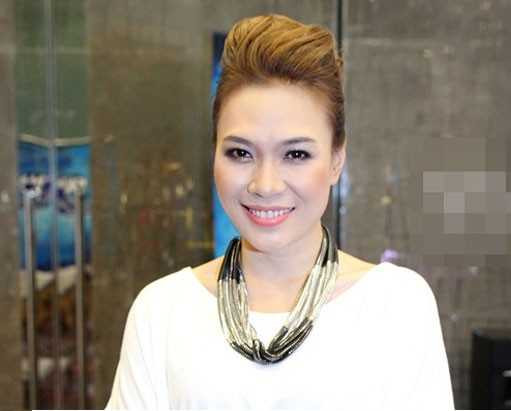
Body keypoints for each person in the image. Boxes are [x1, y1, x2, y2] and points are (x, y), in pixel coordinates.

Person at [105, 14, 454, 410]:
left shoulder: (395, 306)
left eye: (296, 154)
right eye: (240, 152)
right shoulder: (162, 311)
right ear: (214, 153)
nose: (265, 185)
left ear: (336, 160)